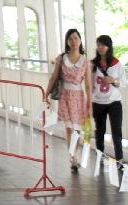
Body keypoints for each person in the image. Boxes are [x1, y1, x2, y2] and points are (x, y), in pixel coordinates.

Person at [44, 29, 92, 172]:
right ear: (67, 42)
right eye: (70, 39)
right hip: (65, 95)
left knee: (77, 129)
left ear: (80, 40)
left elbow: (88, 84)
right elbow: (54, 77)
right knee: (69, 128)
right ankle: (73, 157)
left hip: (78, 96)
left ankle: (74, 153)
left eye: (76, 38)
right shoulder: (61, 58)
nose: (73, 41)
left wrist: (90, 103)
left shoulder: (85, 61)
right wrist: (45, 94)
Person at [91, 34, 127, 169]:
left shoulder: (116, 64)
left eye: (103, 45)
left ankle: (120, 159)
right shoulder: (93, 64)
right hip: (98, 103)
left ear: (109, 47)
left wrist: (114, 80)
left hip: (114, 102)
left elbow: (124, 83)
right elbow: (89, 84)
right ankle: (100, 156)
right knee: (99, 131)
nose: (100, 47)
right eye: (98, 44)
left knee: (116, 132)